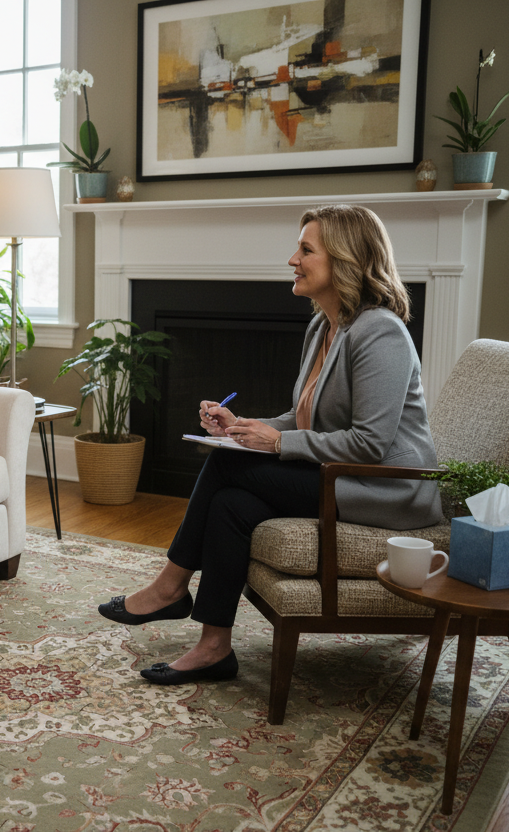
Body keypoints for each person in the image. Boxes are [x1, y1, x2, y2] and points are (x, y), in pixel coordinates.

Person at [98, 204, 443, 685]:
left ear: (344, 258)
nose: (292, 259)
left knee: (224, 471)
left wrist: (277, 441)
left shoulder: (381, 331)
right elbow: (307, 418)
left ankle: (170, 586)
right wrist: (244, 426)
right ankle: (214, 647)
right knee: (232, 503)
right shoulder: (324, 326)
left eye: (306, 249)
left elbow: (370, 444)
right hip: (337, 475)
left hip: (386, 487)